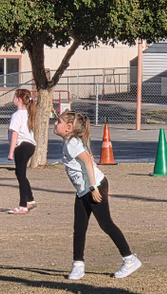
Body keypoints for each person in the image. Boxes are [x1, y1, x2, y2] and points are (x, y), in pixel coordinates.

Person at [53, 110, 140, 280]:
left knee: (106, 224)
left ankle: (130, 260)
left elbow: (87, 162)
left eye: (59, 121)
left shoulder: (72, 143)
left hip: (94, 187)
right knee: (79, 228)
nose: (55, 123)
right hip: (84, 190)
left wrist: (94, 188)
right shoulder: (72, 141)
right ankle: (78, 265)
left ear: (69, 127)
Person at [6, 89, 38, 214]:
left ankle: (22, 206)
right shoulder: (28, 113)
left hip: (22, 146)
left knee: (21, 175)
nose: (13, 99)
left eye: (14, 97)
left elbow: (15, 133)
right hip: (30, 146)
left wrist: (11, 152)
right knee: (21, 175)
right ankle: (29, 200)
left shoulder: (17, 115)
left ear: (19, 99)